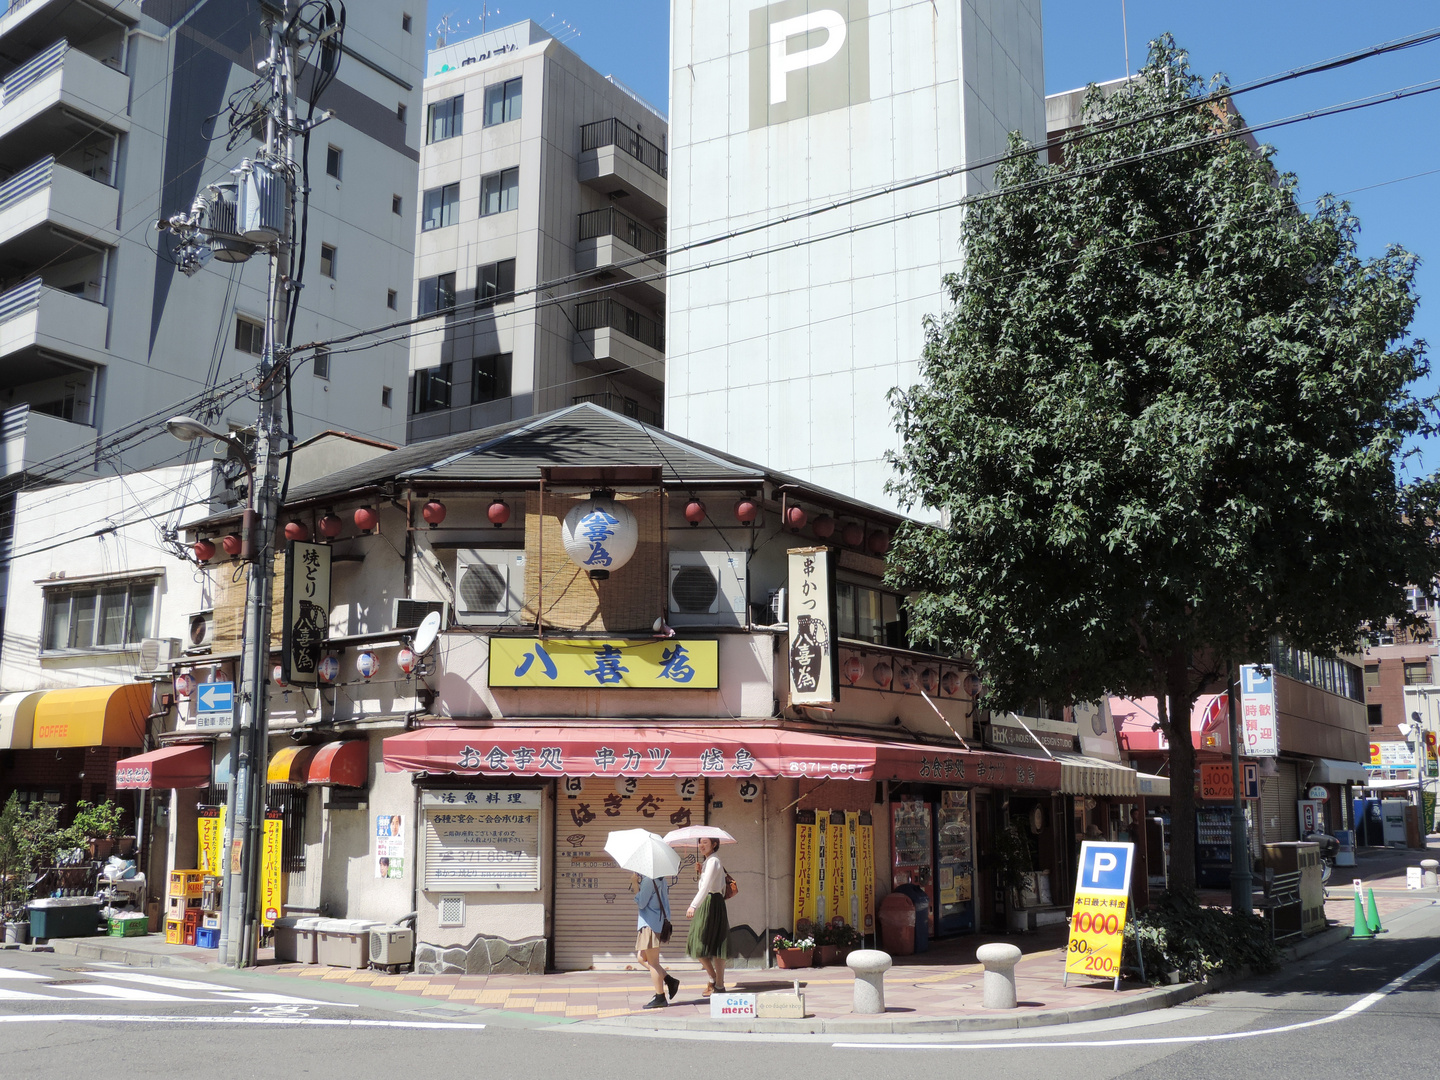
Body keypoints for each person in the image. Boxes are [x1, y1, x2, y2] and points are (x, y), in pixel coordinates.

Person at [685, 837, 729, 995]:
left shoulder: (713, 861)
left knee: (713, 944)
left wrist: (693, 905)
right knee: (699, 944)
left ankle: (718, 983)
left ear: (714, 844)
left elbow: (706, 887)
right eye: (700, 842)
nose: (701, 845)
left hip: (711, 902)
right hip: (710, 902)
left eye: (705, 842)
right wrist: (701, 871)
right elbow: (709, 883)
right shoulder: (709, 861)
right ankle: (715, 980)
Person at [633, 873, 680, 1009]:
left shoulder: (649, 880)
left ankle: (660, 996)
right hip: (655, 923)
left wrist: (635, 884)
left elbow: (642, 903)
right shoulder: (662, 880)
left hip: (650, 924)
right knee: (641, 958)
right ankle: (669, 980)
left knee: (653, 963)